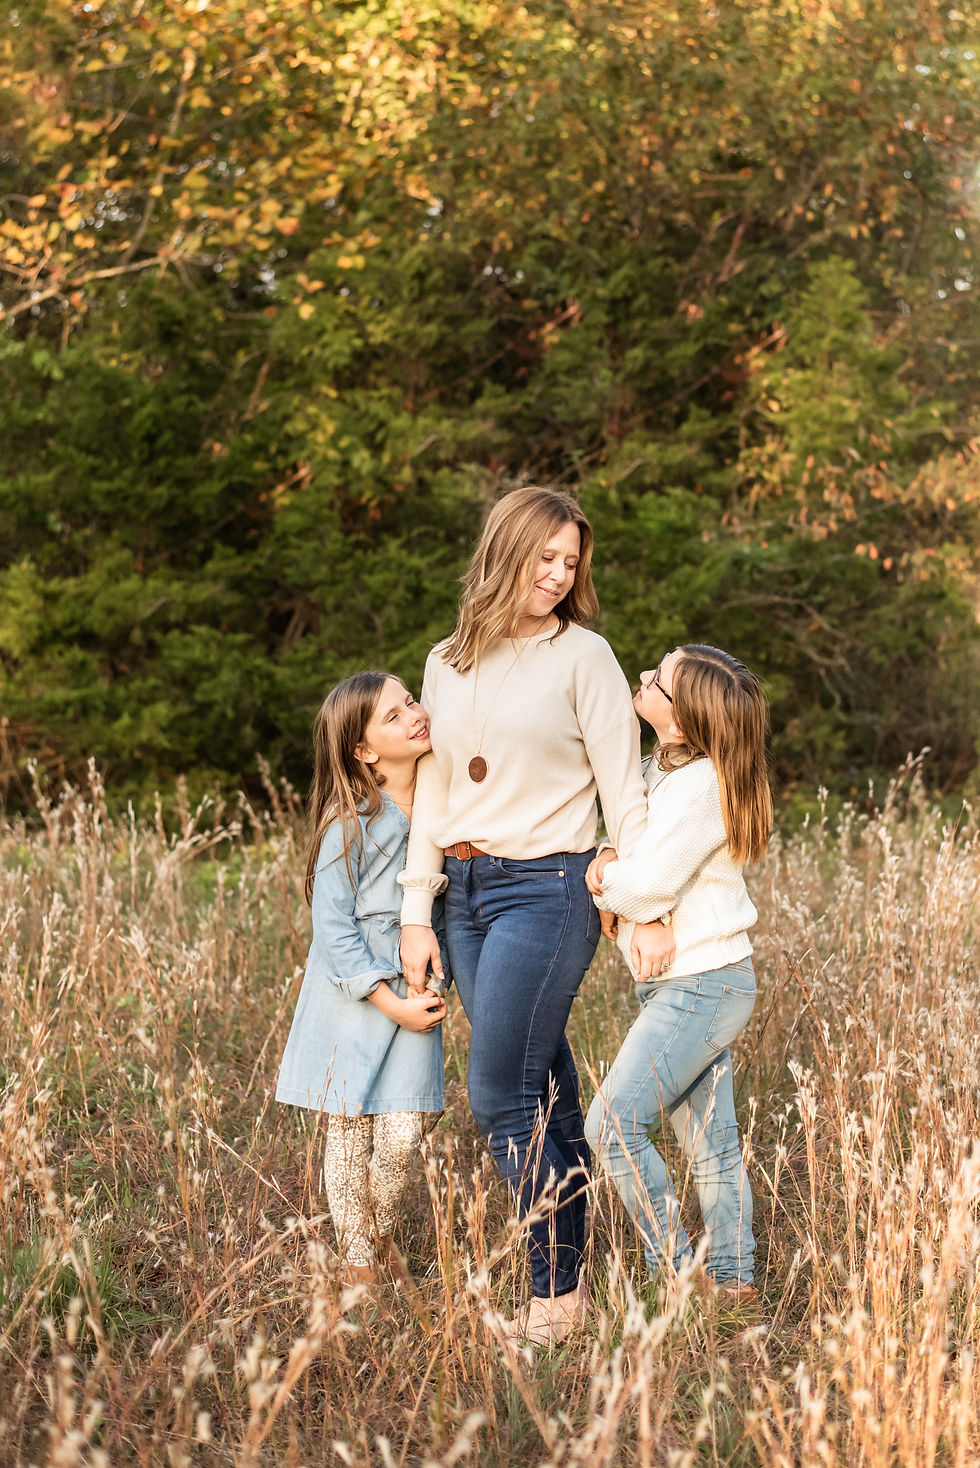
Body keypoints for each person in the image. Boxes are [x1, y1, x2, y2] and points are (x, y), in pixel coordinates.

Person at [398, 485, 658, 1346]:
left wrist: (641, 903)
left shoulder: (586, 656)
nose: (555, 575)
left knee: (499, 1096)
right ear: (504, 550)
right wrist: (415, 910)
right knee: (546, 1092)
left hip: (548, 890)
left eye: (569, 563)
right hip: (463, 897)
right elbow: (433, 790)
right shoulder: (448, 658)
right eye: (542, 557)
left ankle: (556, 1298)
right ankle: (577, 1261)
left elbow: (626, 791)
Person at [583, 644, 772, 1306]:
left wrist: (605, 882)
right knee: (711, 1144)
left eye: (657, 680)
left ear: (684, 718)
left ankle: (680, 1273)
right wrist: (612, 855)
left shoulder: (699, 786)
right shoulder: (663, 768)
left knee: (609, 1126)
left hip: (701, 984)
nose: (643, 679)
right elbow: (630, 839)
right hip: (696, 982)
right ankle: (732, 1283)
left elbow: (647, 883)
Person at [276, 671, 448, 1286]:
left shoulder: (442, 799)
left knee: (403, 1130)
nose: (414, 715)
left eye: (411, 702)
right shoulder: (347, 823)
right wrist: (385, 1000)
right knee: (348, 1127)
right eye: (394, 716)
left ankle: (370, 1235)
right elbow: (334, 929)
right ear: (365, 751)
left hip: (415, 984)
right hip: (355, 995)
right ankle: (357, 1261)